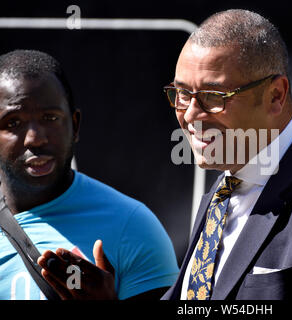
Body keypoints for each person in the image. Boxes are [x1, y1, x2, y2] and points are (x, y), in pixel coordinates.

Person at [39, 9, 292, 300]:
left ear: (276, 95)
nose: (191, 114)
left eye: (214, 97)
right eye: (181, 94)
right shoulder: (225, 188)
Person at [0, 50, 179, 300]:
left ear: (75, 125)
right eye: (13, 123)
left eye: (50, 118)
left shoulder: (132, 227)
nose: (35, 138)